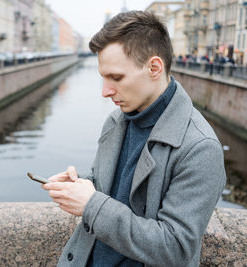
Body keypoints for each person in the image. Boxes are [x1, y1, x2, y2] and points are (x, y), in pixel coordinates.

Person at [43, 11, 226, 267]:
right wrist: (80, 185)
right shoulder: (116, 122)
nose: (105, 91)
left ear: (154, 68)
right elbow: (111, 190)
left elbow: (175, 248)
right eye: (103, 78)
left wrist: (92, 204)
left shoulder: (200, 147)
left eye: (116, 78)